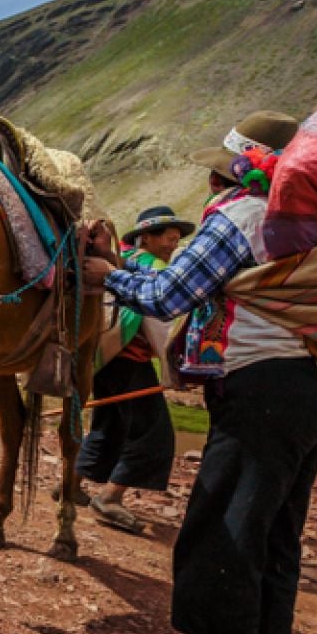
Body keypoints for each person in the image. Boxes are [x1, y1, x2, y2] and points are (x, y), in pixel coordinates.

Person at [79, 110, 317, 634]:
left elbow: (169, 294)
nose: (213, 183)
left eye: (220, 172)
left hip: (263, 389)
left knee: (225, 518)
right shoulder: (312, 224)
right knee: (268, 522)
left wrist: (109, 274)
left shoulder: (244, 215)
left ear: (235, 173)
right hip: (312, 388)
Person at [77, 206, 194, 534]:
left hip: (103, 357)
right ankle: (110, 498)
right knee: (154, 434)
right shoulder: (154, 267)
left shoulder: (121, 259)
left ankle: (69, 484)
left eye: (176, 240)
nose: (172, 246)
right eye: (168, 239)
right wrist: (179, 369)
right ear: (147, 238)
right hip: (129, 360)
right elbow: (165, 324)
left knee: (109, 426)